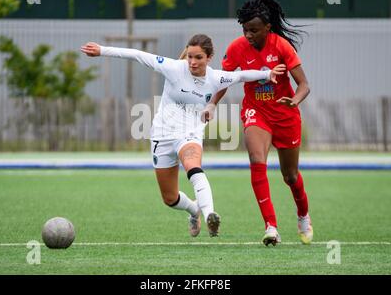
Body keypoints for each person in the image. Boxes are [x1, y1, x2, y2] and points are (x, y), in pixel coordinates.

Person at [81, 34, 285, 238]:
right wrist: (102, 50)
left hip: (189, 134)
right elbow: (137, 55)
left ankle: (209, 216)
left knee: (193, 167)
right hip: (162, 135)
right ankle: (194, 210)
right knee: (169, 198)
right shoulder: (174, 68)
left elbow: (241, 76)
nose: (193, 63)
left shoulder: (216, 78)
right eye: (190, 57)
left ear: (209, 57)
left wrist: (267, 75)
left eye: (198, 58)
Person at [203, 0, 313, 246]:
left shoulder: (282, 46)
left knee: (291, 176)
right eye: (244, 30)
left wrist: (294, 101)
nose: (248, 35)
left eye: (253, 30)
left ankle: (303, 215)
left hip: (285, 114)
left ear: (268, 27)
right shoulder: (237, 48)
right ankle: (271, 227)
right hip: (257, 112)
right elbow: (225, 80)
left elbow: (304, 85)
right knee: (256, 161)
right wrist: (211, 104)